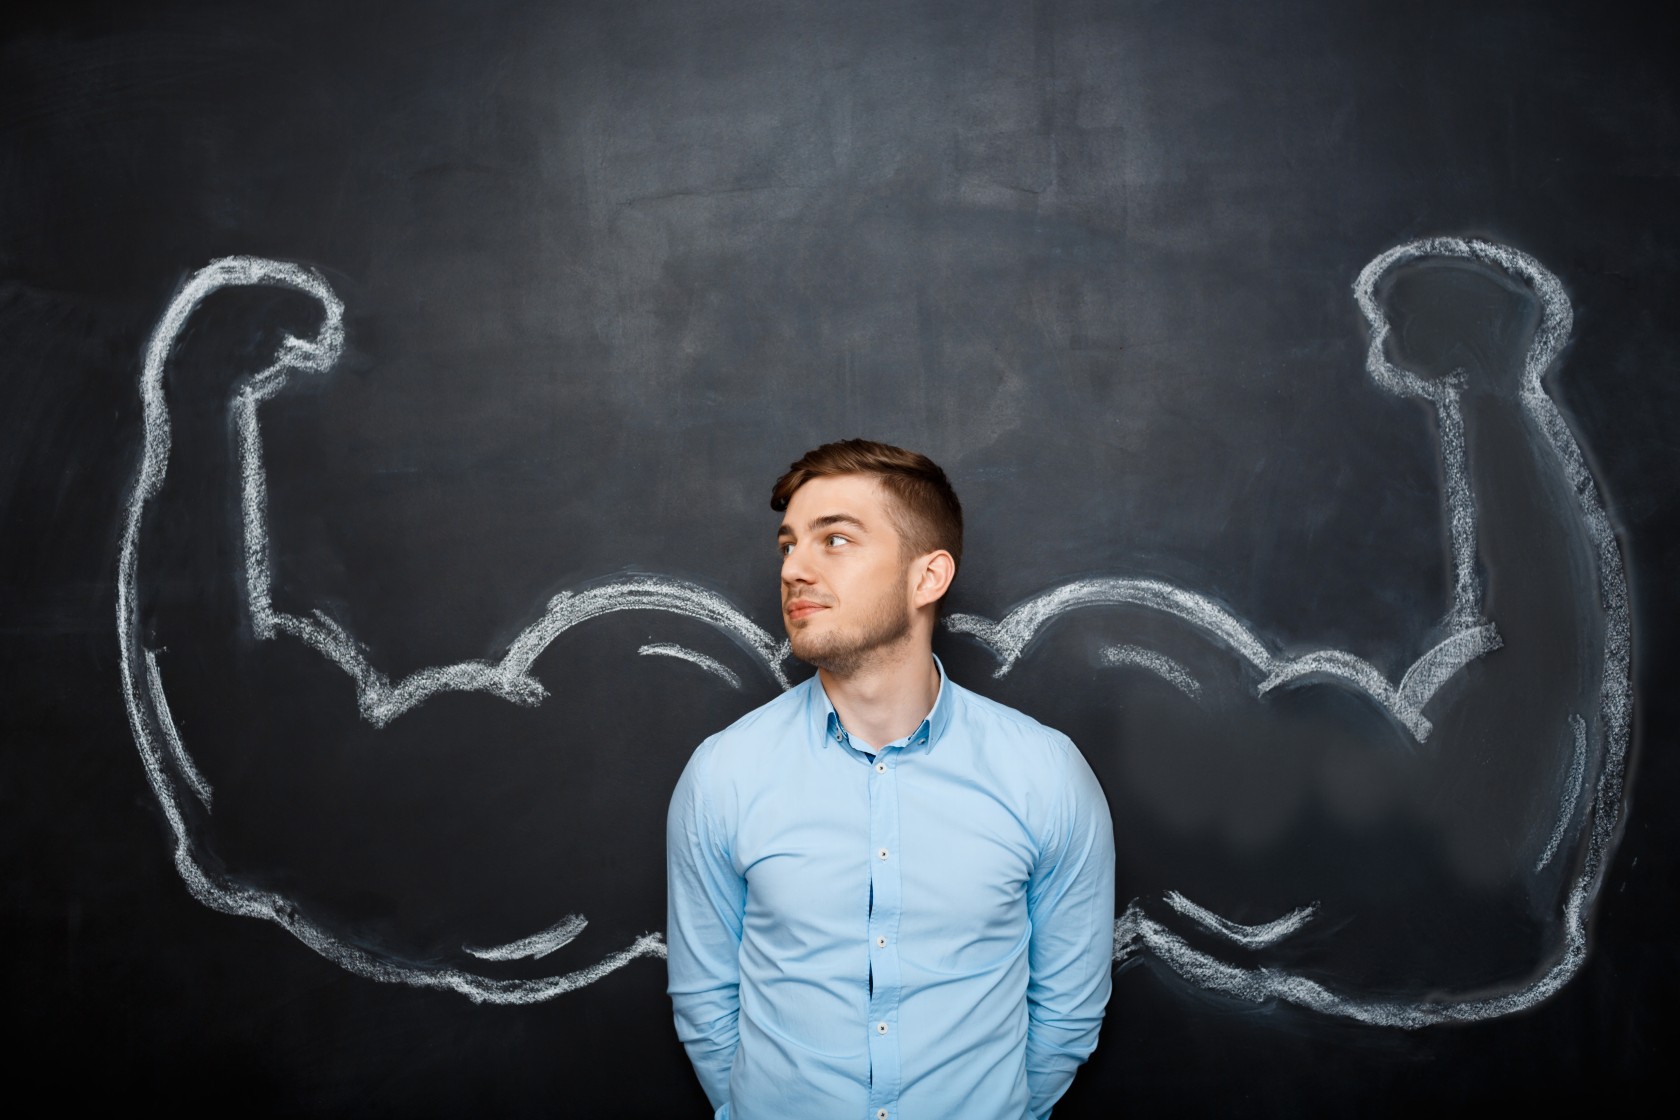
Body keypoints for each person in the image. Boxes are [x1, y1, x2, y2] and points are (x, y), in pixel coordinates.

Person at [667, 439, 1115, 1120]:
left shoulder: (1044, 775)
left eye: (835, 540)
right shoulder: (723, 773)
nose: (794, 569)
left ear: (927, 577)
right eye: (788, 545)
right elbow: (706, 1001)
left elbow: (1067, 1011)